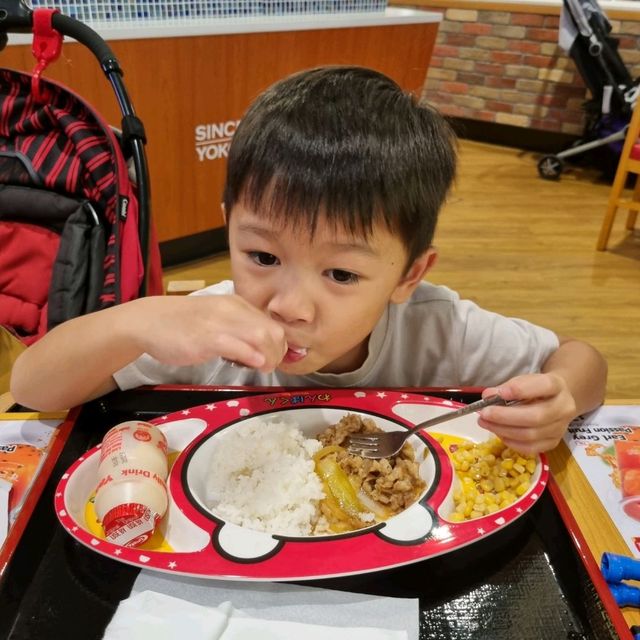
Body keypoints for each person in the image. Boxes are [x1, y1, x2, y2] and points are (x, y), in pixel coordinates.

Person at [10, 66, 606, 454]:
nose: (289, 305)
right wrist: (137, 319)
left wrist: (562, 394)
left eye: (342, 273)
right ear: (229, 226)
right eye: (262, 255)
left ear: (409, 274)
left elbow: (583, 360)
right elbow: (33, 387)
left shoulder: (438, 328)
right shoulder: (205, 331)